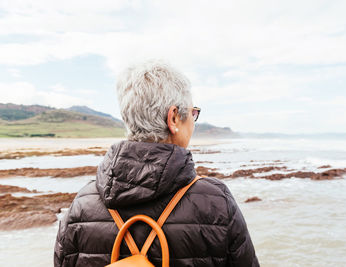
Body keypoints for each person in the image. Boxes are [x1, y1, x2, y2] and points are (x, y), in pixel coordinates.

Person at [54, 60, 259, 267]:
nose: (193, 122)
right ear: (173, 118)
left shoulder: (81, 204)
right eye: (193, 113)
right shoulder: (216, 202)